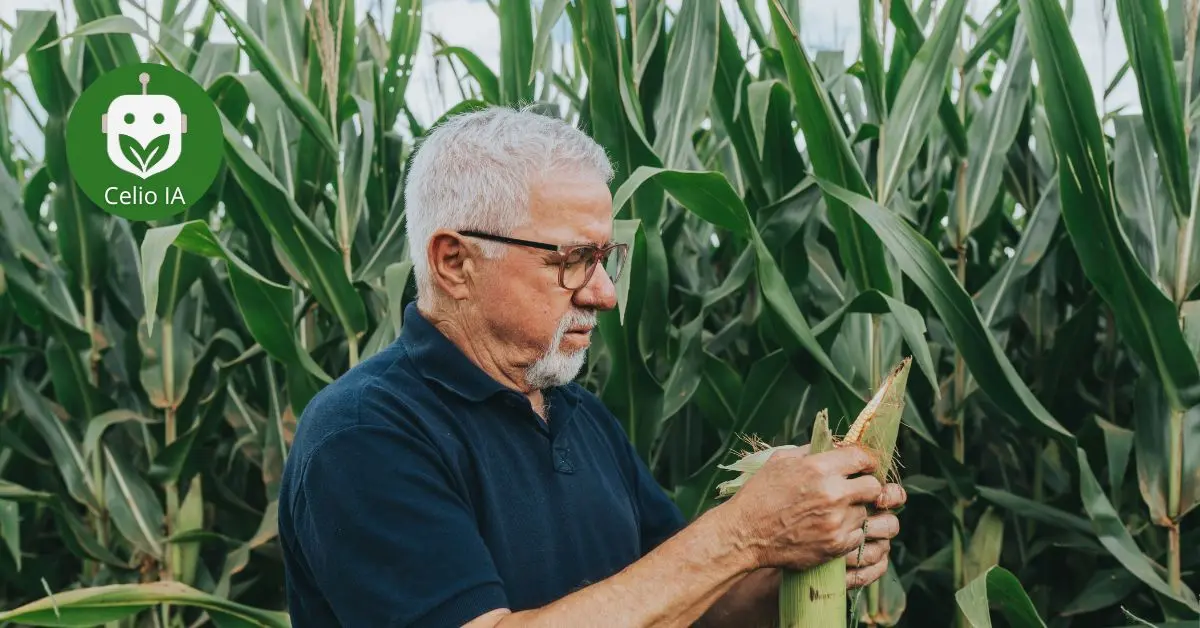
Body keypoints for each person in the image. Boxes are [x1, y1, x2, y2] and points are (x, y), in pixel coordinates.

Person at [277, 105, 907, 627]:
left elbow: (688, 603)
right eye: (573, 260)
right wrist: (742, 534)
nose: (604, 292)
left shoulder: (577, 414)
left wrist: (795, 560)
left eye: (607, 258)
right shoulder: (365, 434)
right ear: (455, 262)